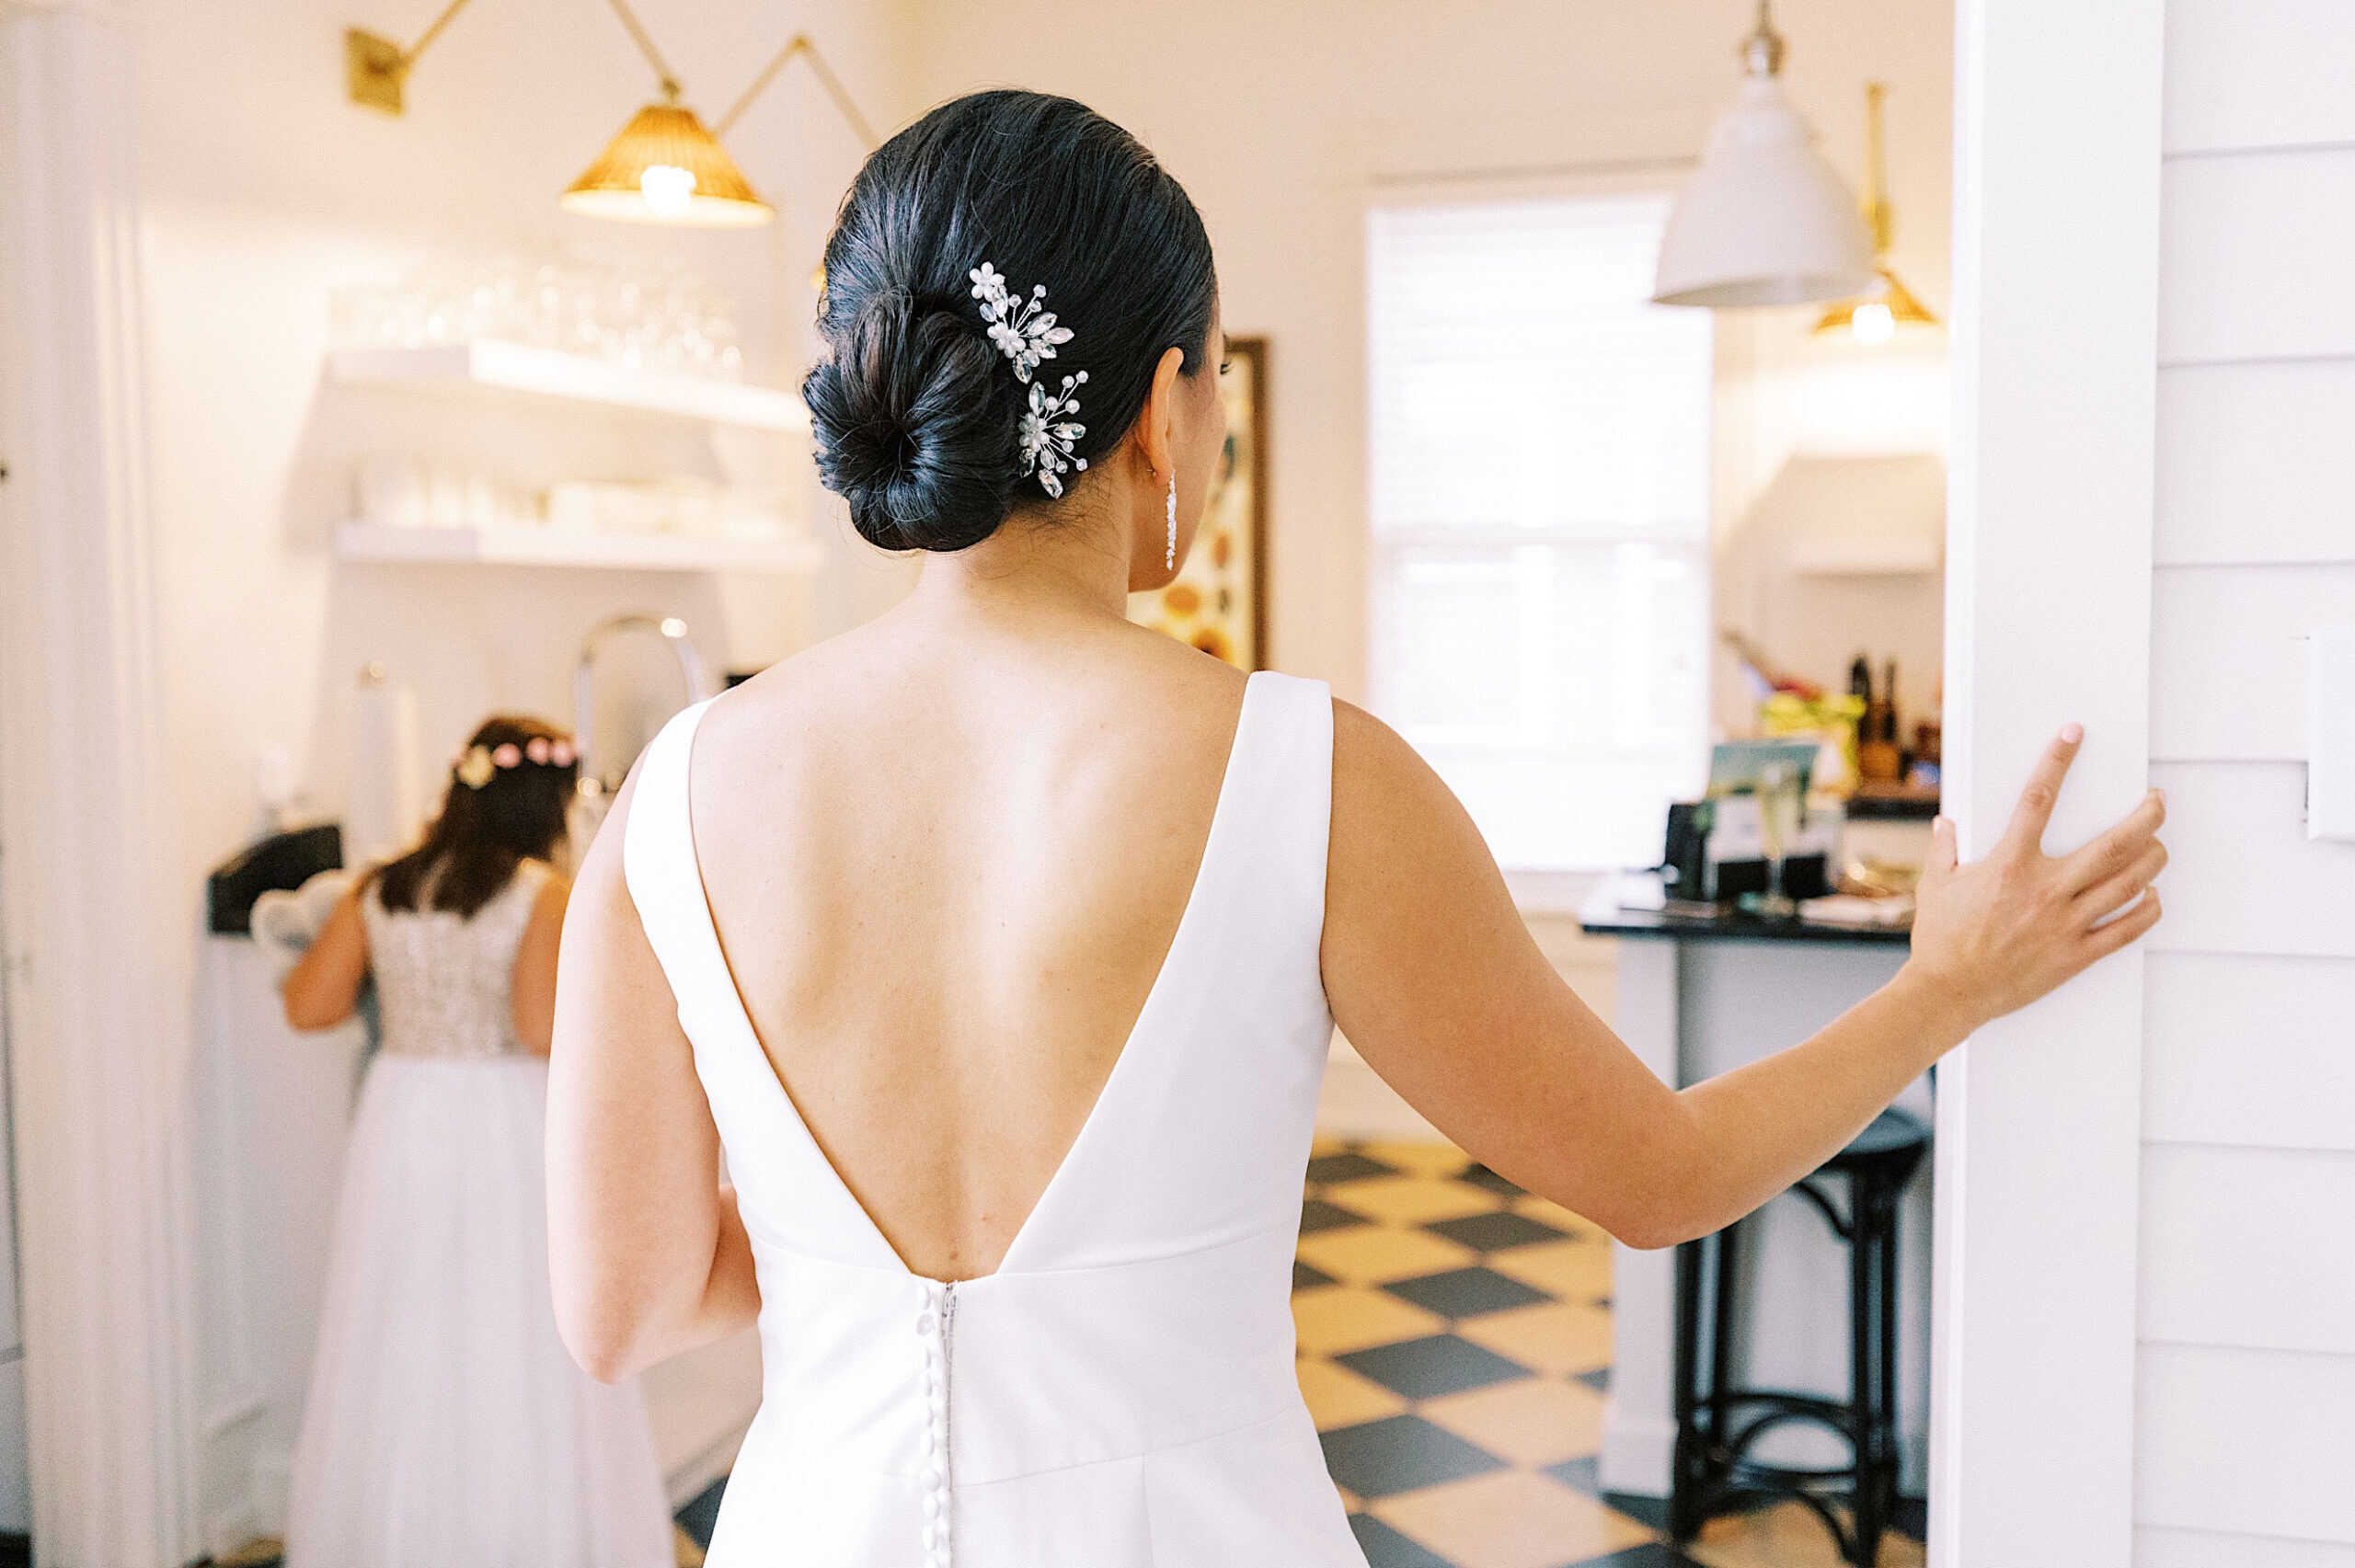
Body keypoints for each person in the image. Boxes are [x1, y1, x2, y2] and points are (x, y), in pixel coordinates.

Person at [544, 89, 2166, 1568]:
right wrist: (1942, 990)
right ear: (1166, 414)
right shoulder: (1306, 777)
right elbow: (1658, 1178)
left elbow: (618, 1313)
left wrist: (858, 1264)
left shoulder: (668, 800)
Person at [280, 716, 671, 1568]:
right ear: (548, 806)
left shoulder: (382, 885)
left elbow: (310, 1005)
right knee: (518, 1320)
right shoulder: (542, 892)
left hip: (404, 1114)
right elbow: (538, 1027)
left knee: (403, 1317)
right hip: (503, 1120)